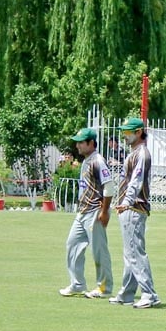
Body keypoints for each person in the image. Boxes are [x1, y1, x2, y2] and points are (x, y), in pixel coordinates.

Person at [109, 117, 161, 309]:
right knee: (129, 252)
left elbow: (136, 181)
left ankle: (149, 293)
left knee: (135, 252)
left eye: (129, 132)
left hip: (134, 207)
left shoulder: (142, 154)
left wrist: (127, 202)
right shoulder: (134, 153)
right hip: (129, 207)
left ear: (139, 132)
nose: (125, 135)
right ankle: (127, 293)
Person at [59, 127, 115, 298]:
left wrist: (104, 211)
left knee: (99, 250)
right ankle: (77, 284)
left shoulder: (98, 160)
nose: (77, 146)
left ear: (91, 143)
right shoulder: (86, 160)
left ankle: (104, 288)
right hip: (82, 211)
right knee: (72, 245)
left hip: (95, 211)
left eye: (81, 142)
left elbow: (109, 186)